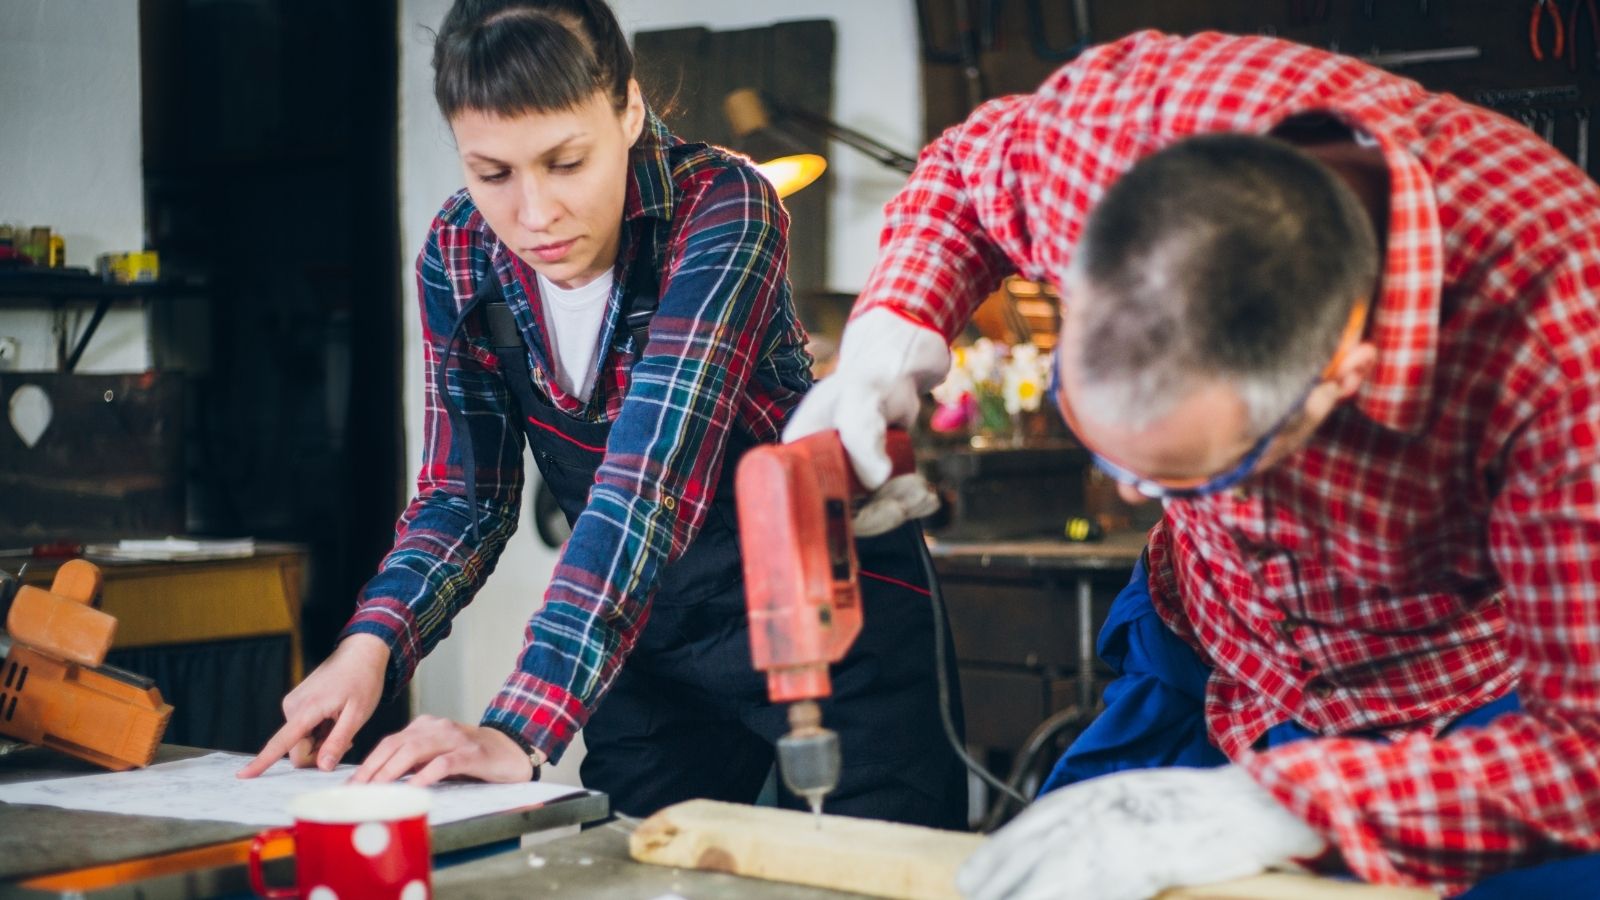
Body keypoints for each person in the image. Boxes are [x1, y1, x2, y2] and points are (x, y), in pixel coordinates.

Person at [788, 29, 1600, 899]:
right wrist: (894, 329)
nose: (1132, 492)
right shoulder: (1119, 127)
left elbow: (1584, 750)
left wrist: (1284, 808)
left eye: (1183, 477)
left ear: (1341, 382)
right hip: (1206, 640)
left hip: (1442, 702)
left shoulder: (1560, 338)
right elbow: (967, 173)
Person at [239, 0, 967, 829]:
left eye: (566, 161)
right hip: (648, 639)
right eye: (494, 173)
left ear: (627, 109)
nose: (534, 214)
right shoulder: (459, 252)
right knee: (636, 872)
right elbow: (463, 501)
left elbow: (644, 487)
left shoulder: (723, 208)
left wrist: (516, 727)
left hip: (830, 619)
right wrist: (367, 649)